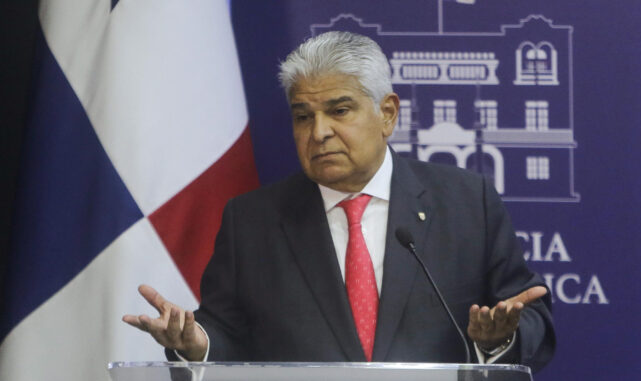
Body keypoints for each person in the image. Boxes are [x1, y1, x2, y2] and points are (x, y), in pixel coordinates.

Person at [123, 31, 555, 372]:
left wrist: (497, 339)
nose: (319, 132)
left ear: (387, 113)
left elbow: (531, 318)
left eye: (340, 110)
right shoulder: (252, 220)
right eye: (303, 116)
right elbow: (228, 334)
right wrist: (198, 344)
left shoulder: (466, 203)